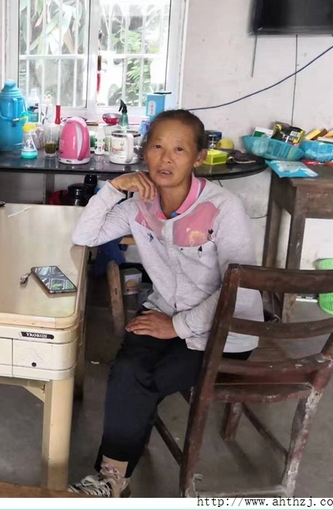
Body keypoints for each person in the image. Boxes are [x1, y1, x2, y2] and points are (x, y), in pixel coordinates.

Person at [69, 110, 263, 497]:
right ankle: (112, 479)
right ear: (144, 152)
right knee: (127, 371)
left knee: (140, 381)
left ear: (198, 158)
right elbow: (85, 235)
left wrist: (176, 327)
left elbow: (239, 288)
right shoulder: (140, 206)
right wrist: (114, 187)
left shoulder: (222, 209)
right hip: (163, 313)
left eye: (179, 149)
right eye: (157, 146)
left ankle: (111, 478)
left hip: (225, 332)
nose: (166, 158)